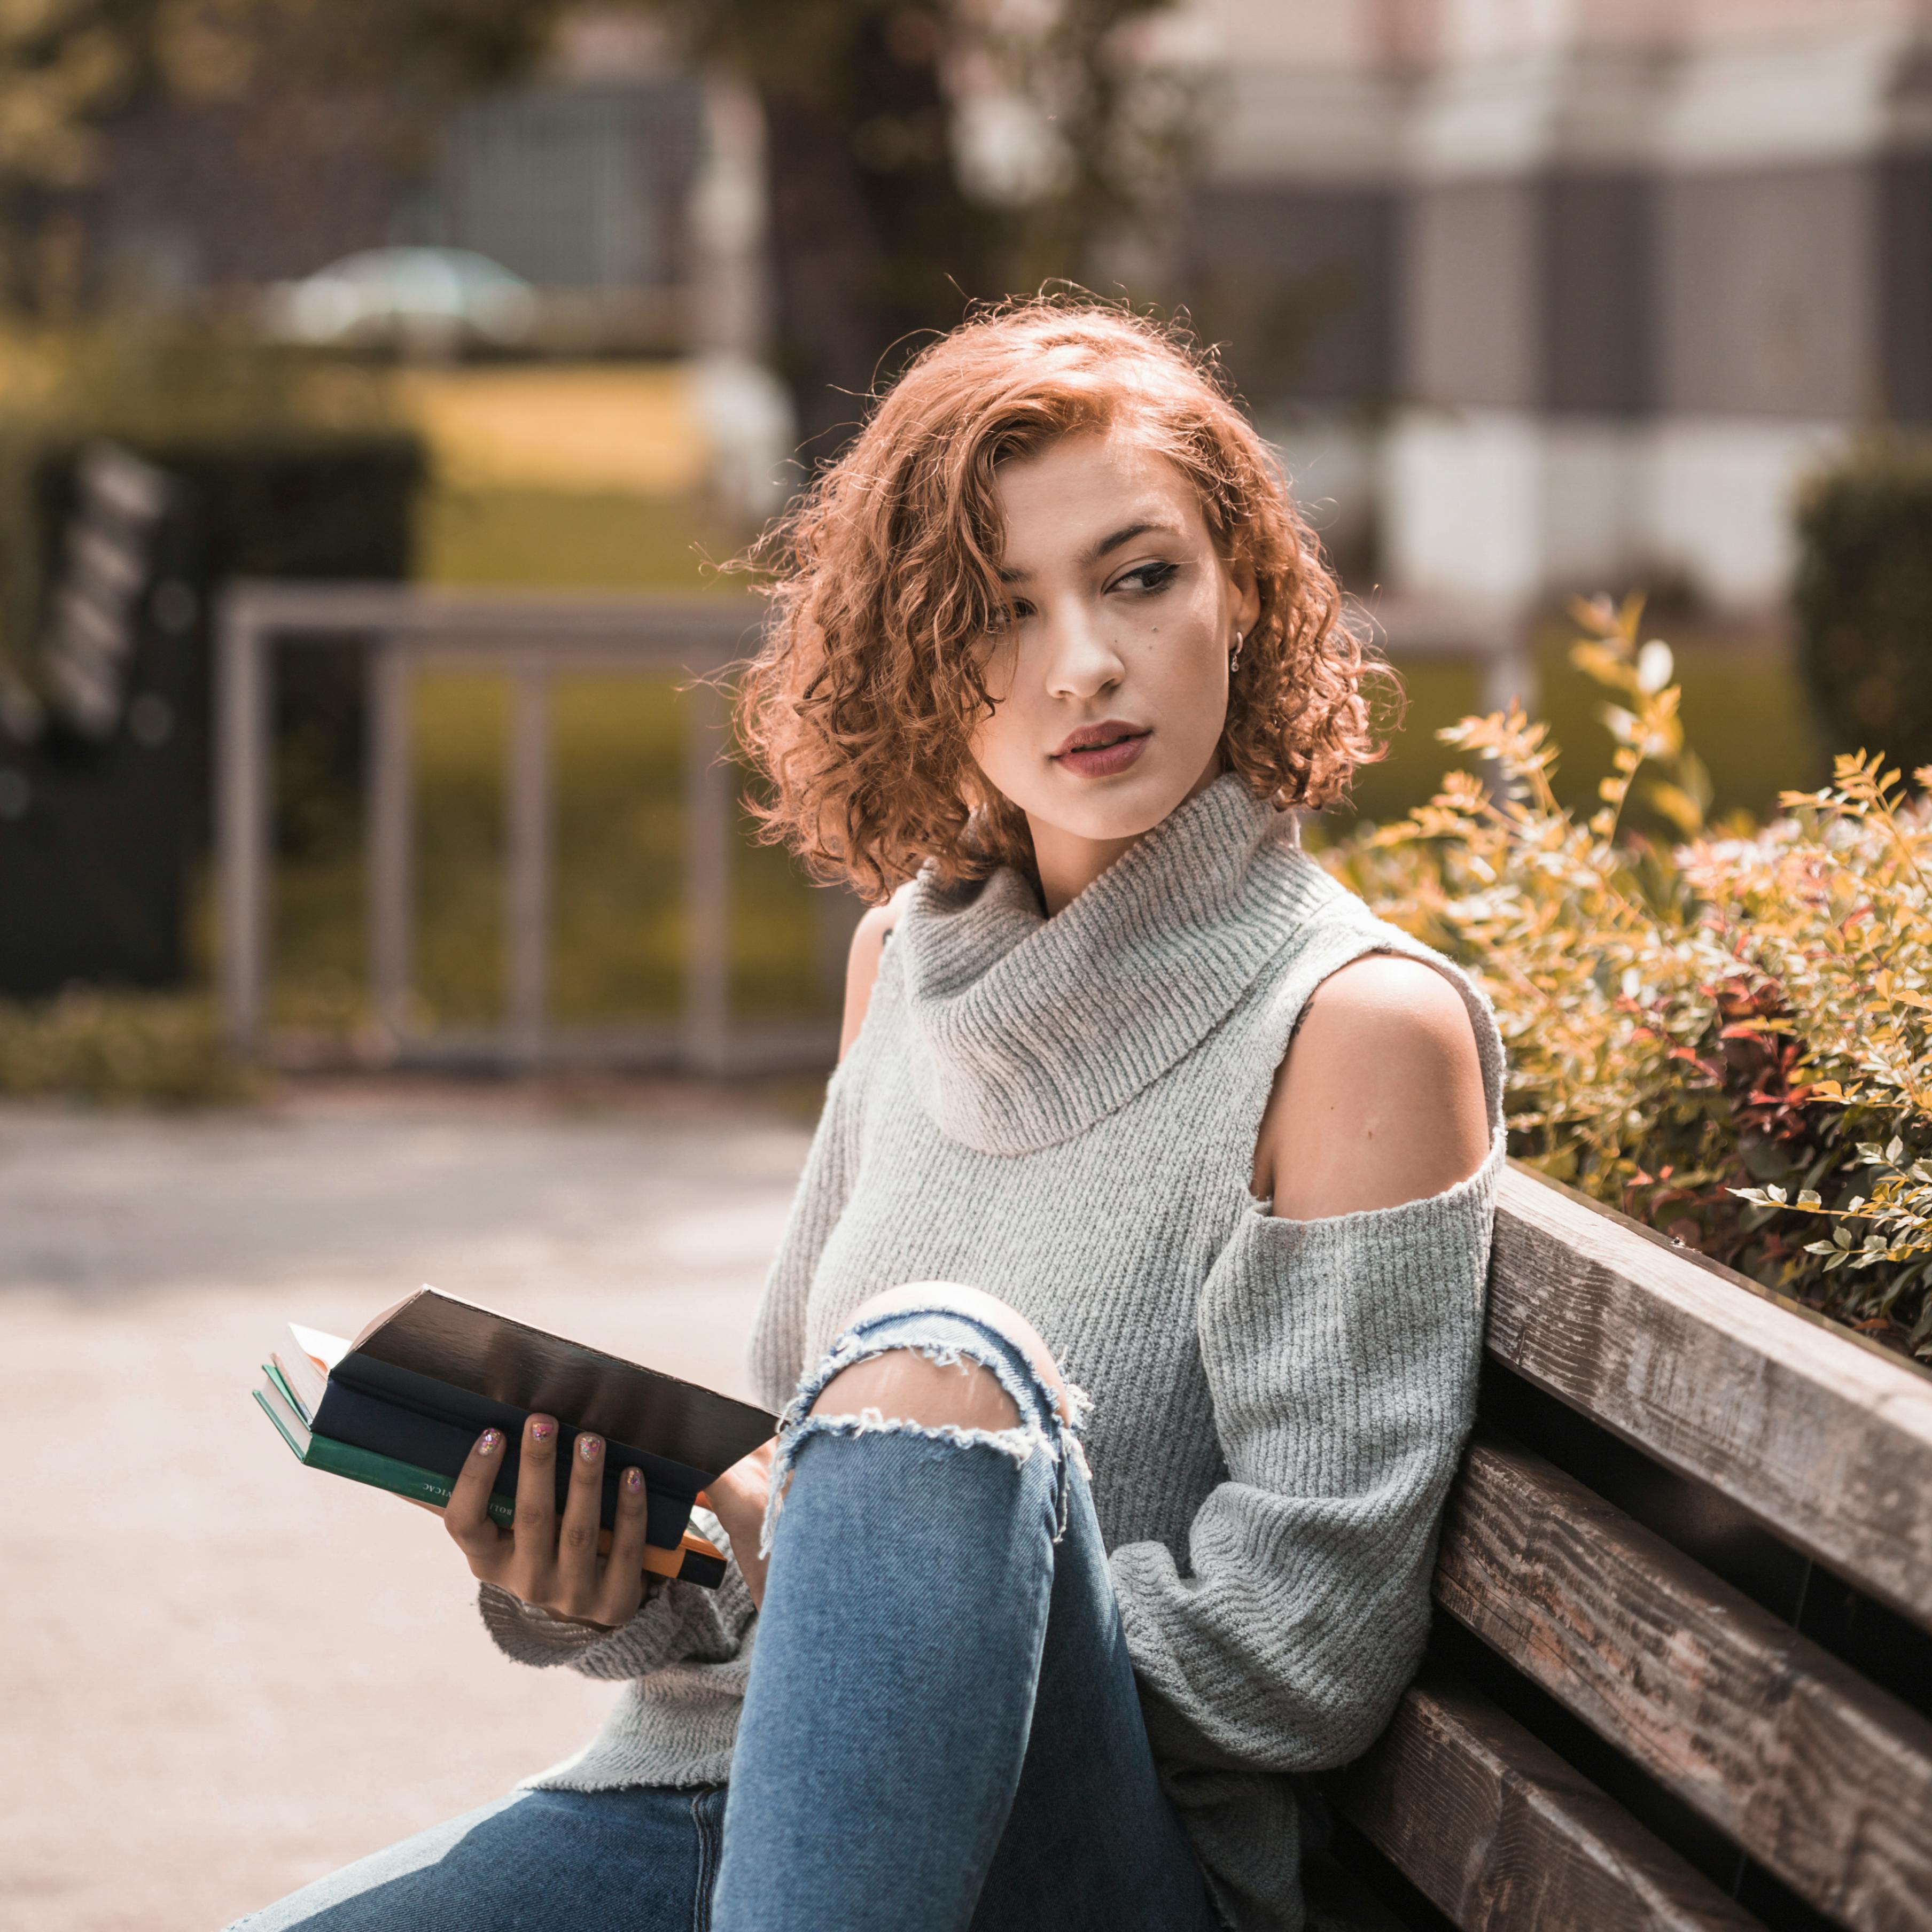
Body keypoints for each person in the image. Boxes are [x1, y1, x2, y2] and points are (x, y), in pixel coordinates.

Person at [230, 299, 1502, 1932]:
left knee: (935, 1370)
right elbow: (784, 1506)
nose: (1086, 664)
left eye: (1141, 576)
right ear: (918, 661)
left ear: (1241, 587)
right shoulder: (901, 964)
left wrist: (899, 1591)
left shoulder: (1357, 1030)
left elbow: (1304, 1652)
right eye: (997, 613)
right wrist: (620, 1579)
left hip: (1097, 1872)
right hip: (730, 1792)